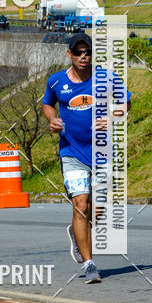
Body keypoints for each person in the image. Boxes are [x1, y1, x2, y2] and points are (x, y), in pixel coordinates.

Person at [42, 32, 131, 284]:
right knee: (81, 204)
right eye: (78, 52)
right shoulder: (56, 81)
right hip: (71, 152)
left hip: (102, 151)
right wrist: (52, 120)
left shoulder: (104, 78)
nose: (84, 56)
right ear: (69, 54)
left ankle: (76, 231)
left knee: (98, 209)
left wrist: (113, 116)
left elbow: (125, 101)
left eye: (88, 52)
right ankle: (90, 264)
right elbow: (47, 104)